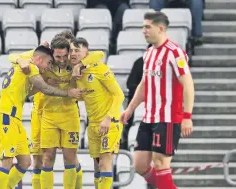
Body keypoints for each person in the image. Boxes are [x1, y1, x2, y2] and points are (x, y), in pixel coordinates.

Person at [10, 35, 104, 189]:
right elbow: (28, 88)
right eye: (57, 56)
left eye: (64, 56)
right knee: (47, 157)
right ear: (51, 53)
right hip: (48, 117)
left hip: (70, 116)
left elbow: (99, 54)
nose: (61, 59)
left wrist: (80, 65)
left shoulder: (75, 63)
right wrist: (43, 84)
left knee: (70, 158)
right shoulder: (45, 64)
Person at [120, 11, 194, 189]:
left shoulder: (174, 53)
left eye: (147, 27)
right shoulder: (148, 54)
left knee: (160, 163)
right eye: (143, 27)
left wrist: (187, 116)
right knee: (139, 165)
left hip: (167, 118)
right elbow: (144, 84)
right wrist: (130, 109)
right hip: (148, 117)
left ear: (160, 28)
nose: (143, 30)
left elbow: (188, 84)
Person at [0, 46, 82, 189]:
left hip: (15, 120)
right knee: (6, 160)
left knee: (25, 161)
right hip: (6, 117)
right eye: (48, 63)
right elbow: (46, 89)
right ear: (39, 59)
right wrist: (67, 93)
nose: (48, 67)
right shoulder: (32, 67)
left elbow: (27, 92)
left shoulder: (23, 63)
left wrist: (44, 84)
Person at [70, 37, 125, 189]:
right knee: (97, 166)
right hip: (93, 124)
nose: (73, 54)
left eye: (77, 50)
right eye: (71, 51)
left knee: (105, 162)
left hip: (109, 123)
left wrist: (108, 118)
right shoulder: (77, 73)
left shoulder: (100, 69)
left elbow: (119, 95)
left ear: (86, 52)